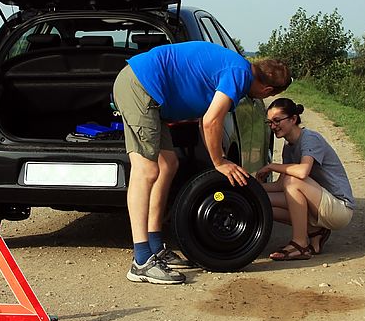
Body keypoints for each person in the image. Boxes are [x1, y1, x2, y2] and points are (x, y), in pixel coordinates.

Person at [113, 41, 291, 284]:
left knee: (168, 165)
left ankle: (155, 245)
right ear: (268, 90)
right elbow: (210, 122)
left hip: (153, 95)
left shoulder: (237, 69)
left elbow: (204, 122)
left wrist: (217, 158)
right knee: (146, 170)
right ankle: (141, 260)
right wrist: (219, 162)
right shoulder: (239, 74)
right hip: (141, 86)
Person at [255, 98, 355, 261]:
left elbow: (302, 172)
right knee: (262, 202)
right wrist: (251, 188)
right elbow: (281, 185)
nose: (273, 126)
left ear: (293, 119)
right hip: (318, 203)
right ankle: (314, 231)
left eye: (277, 120)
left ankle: (300, 244)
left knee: (293, 181)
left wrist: (272, 166)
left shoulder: (310, 138)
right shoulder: (289, 146)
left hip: (340, 208)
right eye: (269, 123)